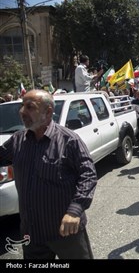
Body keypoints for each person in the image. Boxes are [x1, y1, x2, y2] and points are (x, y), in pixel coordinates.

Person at [0, 89, 97, 259]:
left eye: (30, 107)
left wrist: (74, 211)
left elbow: (88, 175)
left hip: (66, 231)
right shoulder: (17, 140)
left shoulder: (69, 140)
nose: (23, 112)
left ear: (48, 112)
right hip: (32, 234)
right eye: (22, 106)